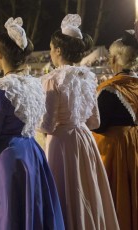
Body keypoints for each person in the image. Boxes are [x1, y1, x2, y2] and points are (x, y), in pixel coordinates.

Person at [0, 17, 64, 230]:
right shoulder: (35, 84)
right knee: (31, 206)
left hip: (7, 157)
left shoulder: (1, 89)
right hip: (32, 151)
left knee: (8, 212)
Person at [38, 14, 119, 230]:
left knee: (63, 193)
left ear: (58, 50)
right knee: (87, 191)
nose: (50, 52)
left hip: (61, 143)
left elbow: (46, 125)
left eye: (51, 48)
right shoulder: (88, 77)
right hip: (84, 140)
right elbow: (94, 121)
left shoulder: (53, 79)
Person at [92, 29, 138, 230]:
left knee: (119, 199)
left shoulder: (109, 90)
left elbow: (98, 125)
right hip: (135, 146)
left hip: (116, 153)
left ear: (116, 60)